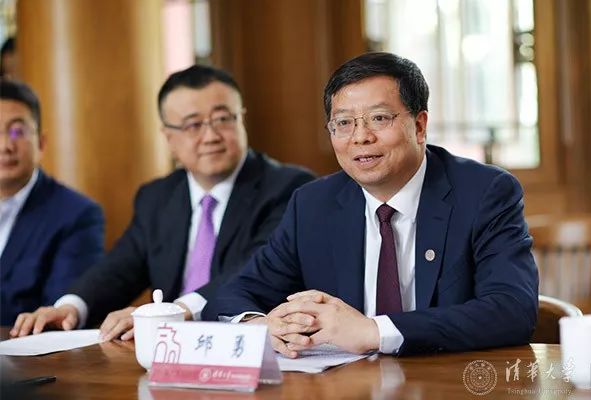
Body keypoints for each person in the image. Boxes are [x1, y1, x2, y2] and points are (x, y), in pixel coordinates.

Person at [202, 52, 539, 357]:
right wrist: (261, 326)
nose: (360, 137)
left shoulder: (483, 193)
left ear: (419, 126)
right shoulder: (313, 204)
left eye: (379, 118)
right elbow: (234, 294)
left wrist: (373, 331)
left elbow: (512, 309)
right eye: (344, 123)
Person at [11, 65, 315, 339]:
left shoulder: (290, 189)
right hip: (170, 349)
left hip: (254, 345)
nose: (211, 136)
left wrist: (177, 311)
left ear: (241, 120)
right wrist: (71, 307)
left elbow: (255, 266)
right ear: (169, 137)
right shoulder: (157, 196)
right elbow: (119, 269)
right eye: (193, 125)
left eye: (223, 119)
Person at [0, 79, 104, 326]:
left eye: (17, 131)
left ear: (41, 144)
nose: (5, 146)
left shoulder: (77, 215)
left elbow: (57, 315)